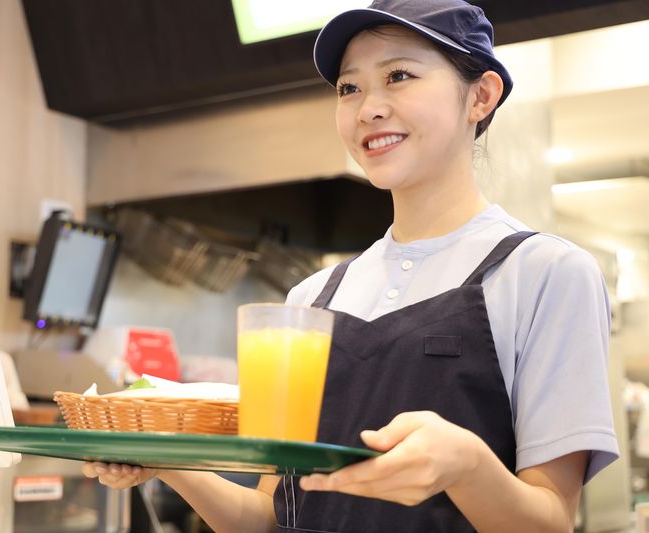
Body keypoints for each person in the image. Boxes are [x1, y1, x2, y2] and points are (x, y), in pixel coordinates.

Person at [83, 1, 619, 531]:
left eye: (399, 76)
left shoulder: (546, 274)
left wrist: (468, 466)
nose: (368, 109)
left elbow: (550, 521)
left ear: (480, 96)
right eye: (348, 88)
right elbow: (270, 518)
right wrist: (164, 460)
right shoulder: (310, 299)